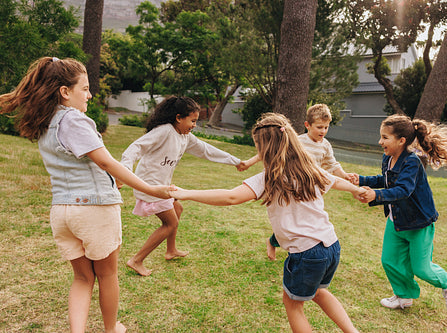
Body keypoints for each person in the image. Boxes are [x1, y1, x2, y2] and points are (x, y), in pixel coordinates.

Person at [0, 57, 172, 333]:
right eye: (85, 88)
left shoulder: (47, 123)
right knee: (107, 274)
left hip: (62, 213)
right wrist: (151, 189)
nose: (90, 95)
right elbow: (105, 161)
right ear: (65, 92)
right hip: (94, 211)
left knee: (82, 278)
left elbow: (86, 166)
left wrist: (112, 180)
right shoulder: (74, 120)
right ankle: (110, 329)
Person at [169, 113, 365, 333]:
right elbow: (335, 181)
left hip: (307, 253)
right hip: (331, 246)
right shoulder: (308, 168)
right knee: (318, 292)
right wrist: (356, 189)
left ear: (266, 149)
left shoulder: (268, 177)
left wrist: (186, 193)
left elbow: (231, 197)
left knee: (293, 304)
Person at [120, 96, 246, 276]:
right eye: (192, 120)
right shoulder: (164, 131)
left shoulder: (185, 136)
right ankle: (136, 260)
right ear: (178, 118)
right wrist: (125, 171)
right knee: (170, 223)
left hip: (162, 186)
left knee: (177, 210)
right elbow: (135, 148)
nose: (194, 125)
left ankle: (171, 251)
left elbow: (206, 150)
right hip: (150, 186)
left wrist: (235, 161)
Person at [352, 114, 447, 313]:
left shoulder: (412, 161)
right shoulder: (388, 159)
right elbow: (384, 180)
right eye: (381, 136)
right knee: (390, 260)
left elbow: (403, 190)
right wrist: (361, 180)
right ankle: (404, 297)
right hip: (396, 221)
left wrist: (375, 196)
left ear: (401, 140)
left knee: (421, 268)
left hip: (418, 223)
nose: (380, 142)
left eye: (385, 137)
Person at [242, 104, 356, 260]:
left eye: (326, 127)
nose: (323, 131)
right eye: (319, 127)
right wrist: (248, 163)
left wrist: (344, 175)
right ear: (307, 125)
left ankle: (287, 245)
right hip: (291, 186)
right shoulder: (297, 141)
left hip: (311, 186)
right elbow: (269, 150)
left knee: (306, 221)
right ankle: (278, 244)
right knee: (293, 219)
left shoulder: (326, 145)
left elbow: (332, 164)